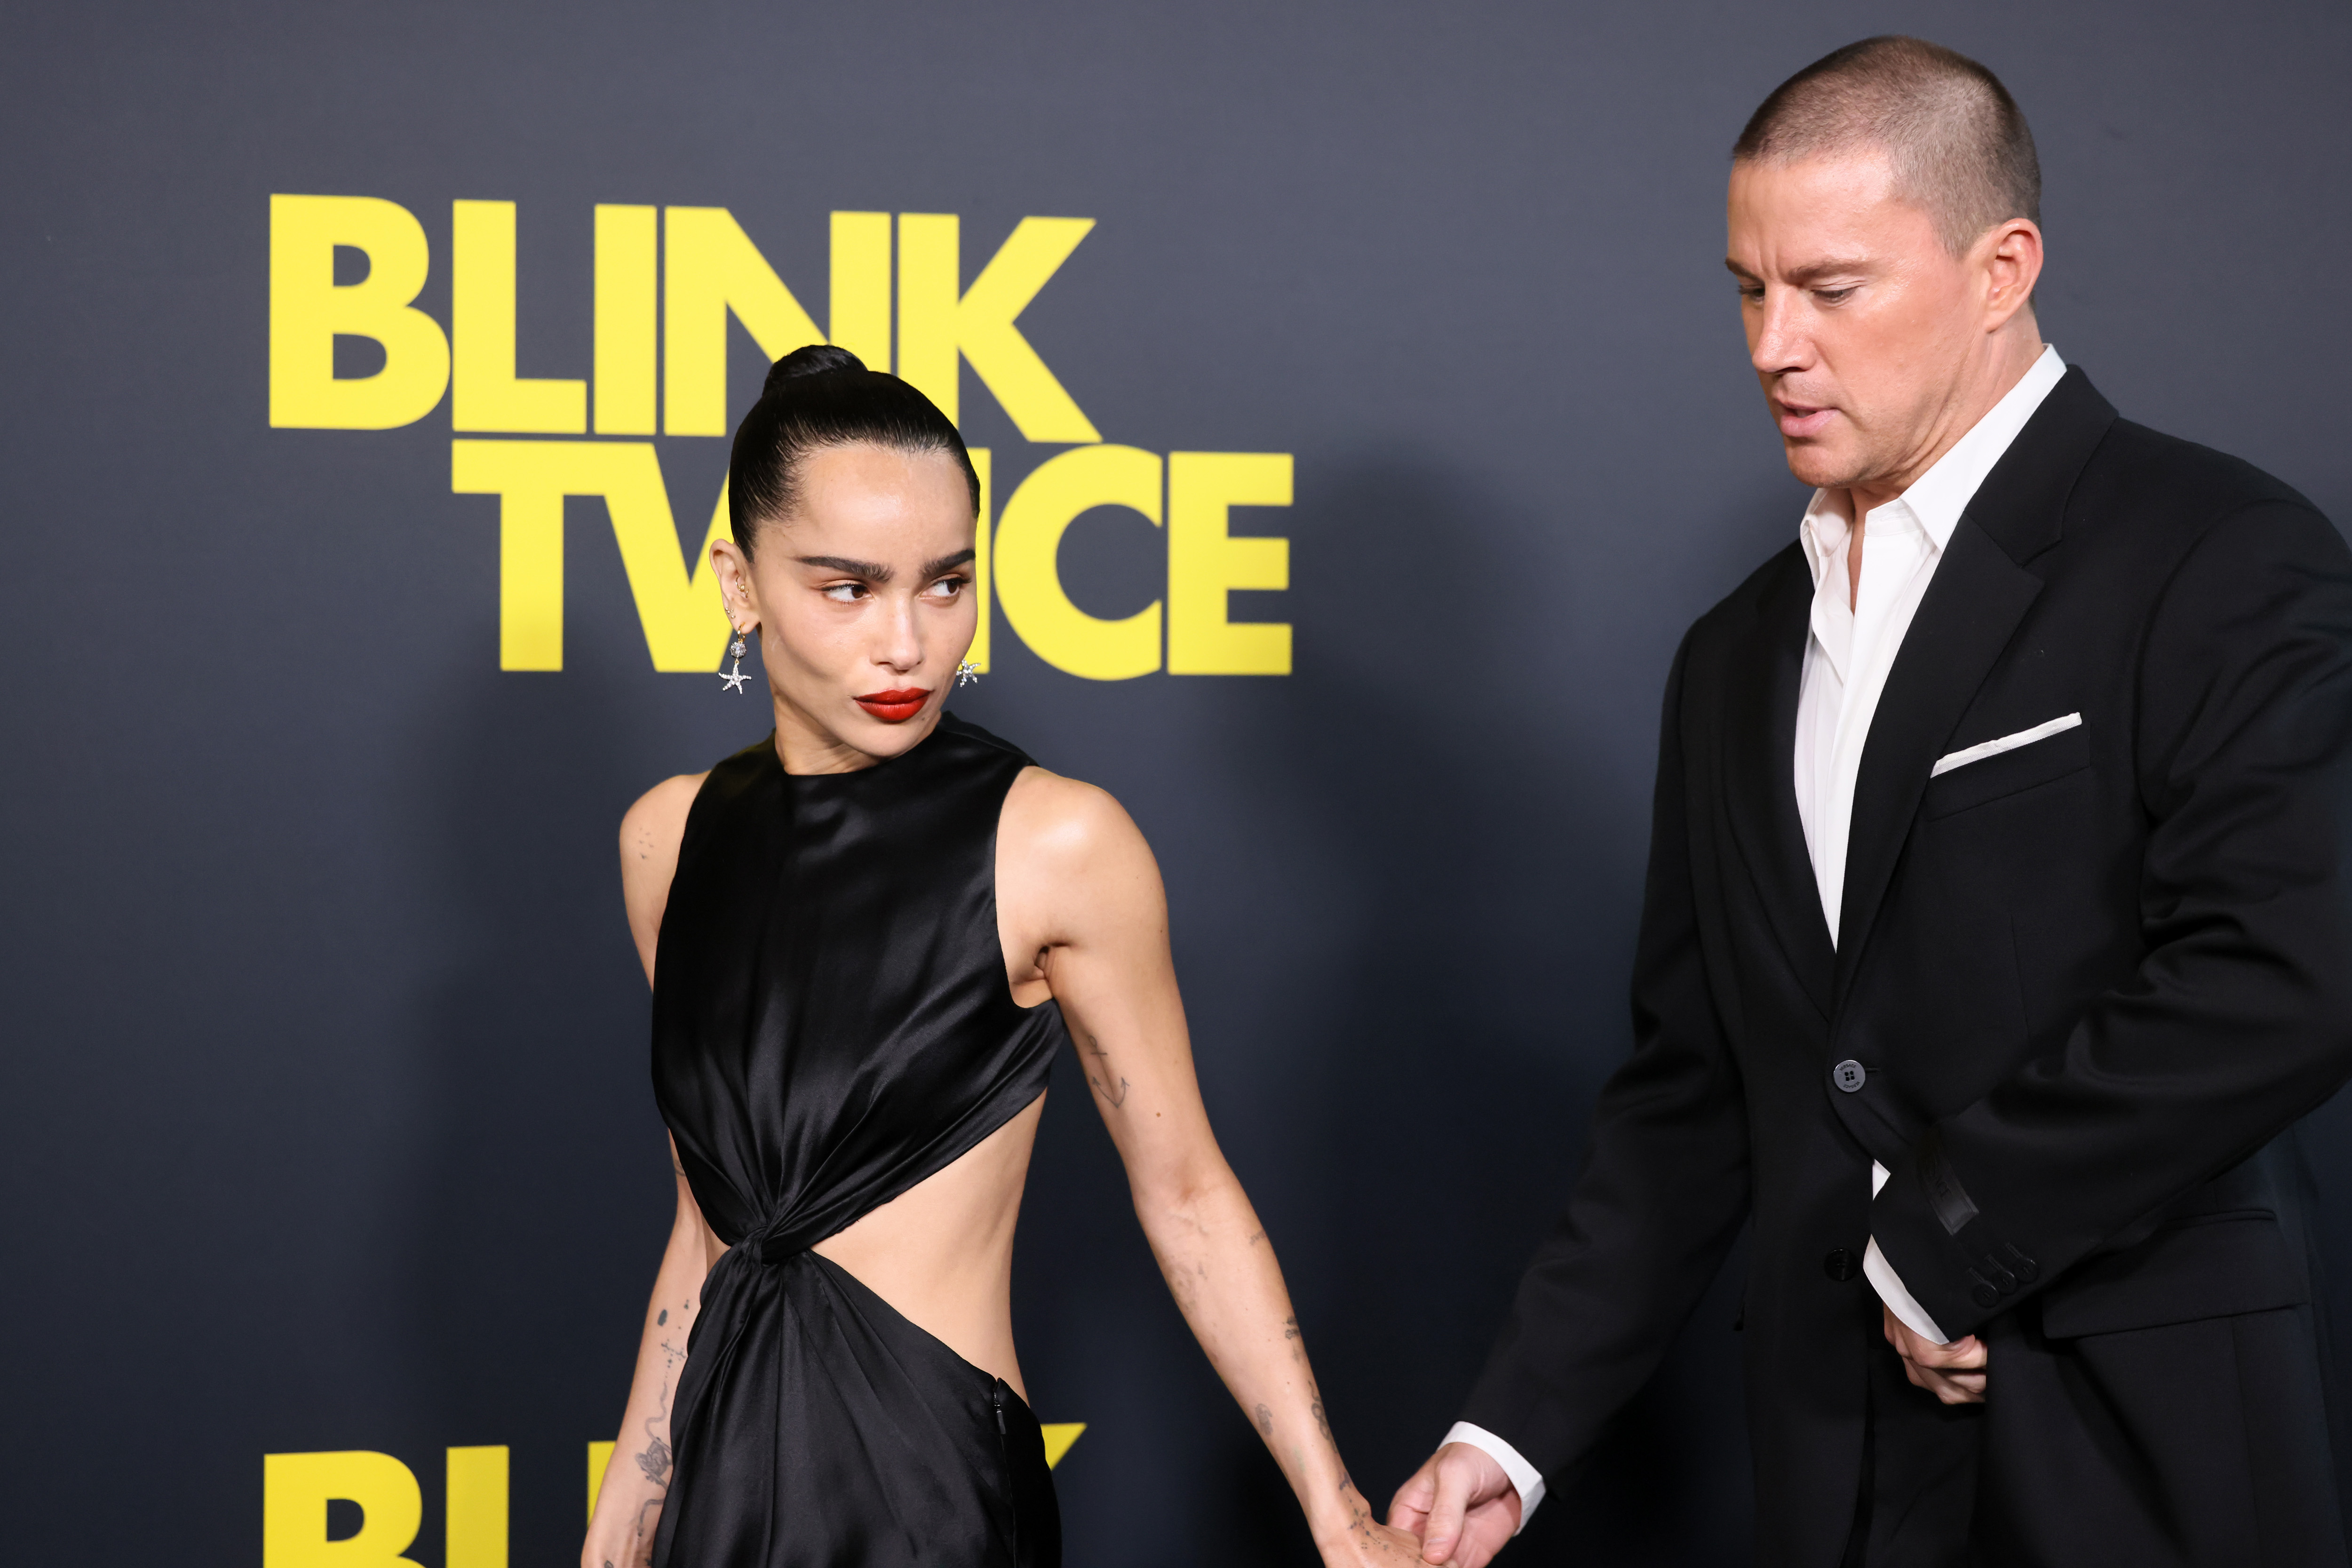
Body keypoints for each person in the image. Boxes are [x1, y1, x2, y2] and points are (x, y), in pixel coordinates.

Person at [1390, 35, 2352, 1568]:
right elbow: (1696, 1091)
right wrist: (1513, 1433)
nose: (1775, 344)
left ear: (2001, 268)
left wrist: (1942, 1240)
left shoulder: (2218, 553)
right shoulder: (1732, 655)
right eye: (1749, 289)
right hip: (1834, 1473)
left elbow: (2289, 970)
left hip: (2137, 1442)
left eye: (1831, 290)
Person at [580, 344, 1419, 1568]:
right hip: (723, 1481)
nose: (909, 644)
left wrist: (1335, 1510)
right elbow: (709, 1228)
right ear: (738, 584)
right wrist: (622, 1523)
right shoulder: (668, 844)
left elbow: (1184, 1191)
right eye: (848, 589)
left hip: (927, 1493)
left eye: (947, 583)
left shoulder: (1056, 845)